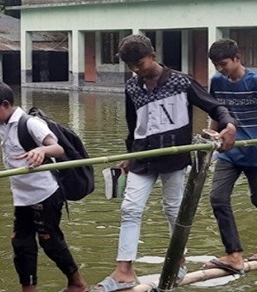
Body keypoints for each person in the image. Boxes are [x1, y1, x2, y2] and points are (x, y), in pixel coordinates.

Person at [93, 34, 237, 292]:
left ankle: (179, 260)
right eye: (131, 66)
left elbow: (215, 107)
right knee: (130, 209)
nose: (136, 70)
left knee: (173, 210)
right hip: (143, 157)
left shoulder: (181, 82)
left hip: (174, 157)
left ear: (153, 56)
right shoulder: (132, 86)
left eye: (140, 63)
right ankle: (124, 270)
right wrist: (129, 155)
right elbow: (132, 125)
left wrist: (229, 126)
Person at [0, 80, 88, 292]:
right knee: (21, 244)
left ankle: (77, 283)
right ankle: (28, 288)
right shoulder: (3, 124)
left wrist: (42, 151)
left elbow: (58, 148)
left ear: (5, 105)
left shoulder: (30, 123)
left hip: (46, 194)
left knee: (50, 240)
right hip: (23, 196)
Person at [202, 38, 257, 274]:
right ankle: (234, 254)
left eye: (224, 63)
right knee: (218, 198)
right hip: (229, 153)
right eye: (216, 65)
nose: (221, 69)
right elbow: (216, 113)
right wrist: (212, 138)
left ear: (237, 58)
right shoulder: (217, 81)